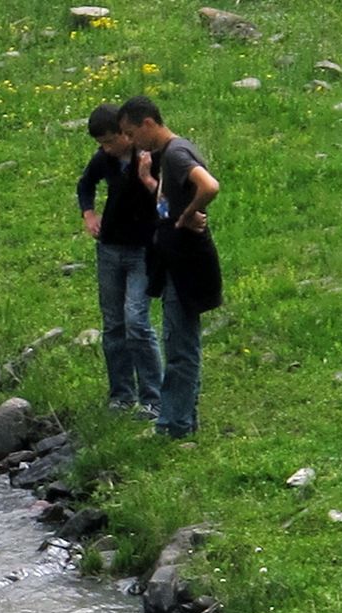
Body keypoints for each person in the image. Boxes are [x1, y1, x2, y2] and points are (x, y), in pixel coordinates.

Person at [117, 96, 222, 438]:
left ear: (148, 123)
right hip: (174, 261)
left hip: (187, 263)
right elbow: (167, 204)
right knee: (180, 341)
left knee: (180, 347)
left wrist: (191, 213)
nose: (131, 142)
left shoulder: (176, 154)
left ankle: (173, 425)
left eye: (132, 134)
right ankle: (182, 418)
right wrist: (149, 181)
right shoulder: (165, 158)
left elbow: (209, 186)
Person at [76, 103, 163, 420]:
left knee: (137, 322)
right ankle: (121, 395)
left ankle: (153, 396)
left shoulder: (152, 159)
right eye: (102, 144)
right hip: (111, 247)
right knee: (113, 325)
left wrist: (144, 177)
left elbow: (166, 198)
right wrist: (89, 214)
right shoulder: (105, 160)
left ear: (127, 133)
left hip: (142, 249)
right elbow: (85, 184)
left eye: (111, 141)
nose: (107, 149)